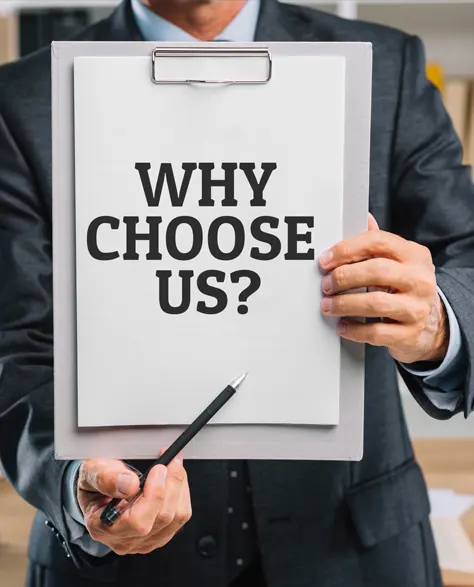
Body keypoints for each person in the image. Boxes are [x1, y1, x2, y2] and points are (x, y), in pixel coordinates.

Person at [0, 1, 473, 586]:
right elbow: (11, 344)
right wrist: (73, 478)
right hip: (118, 564)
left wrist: (437, 324)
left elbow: (464, 256)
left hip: (357, 553)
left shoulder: (387, 65)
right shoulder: (24, 96)